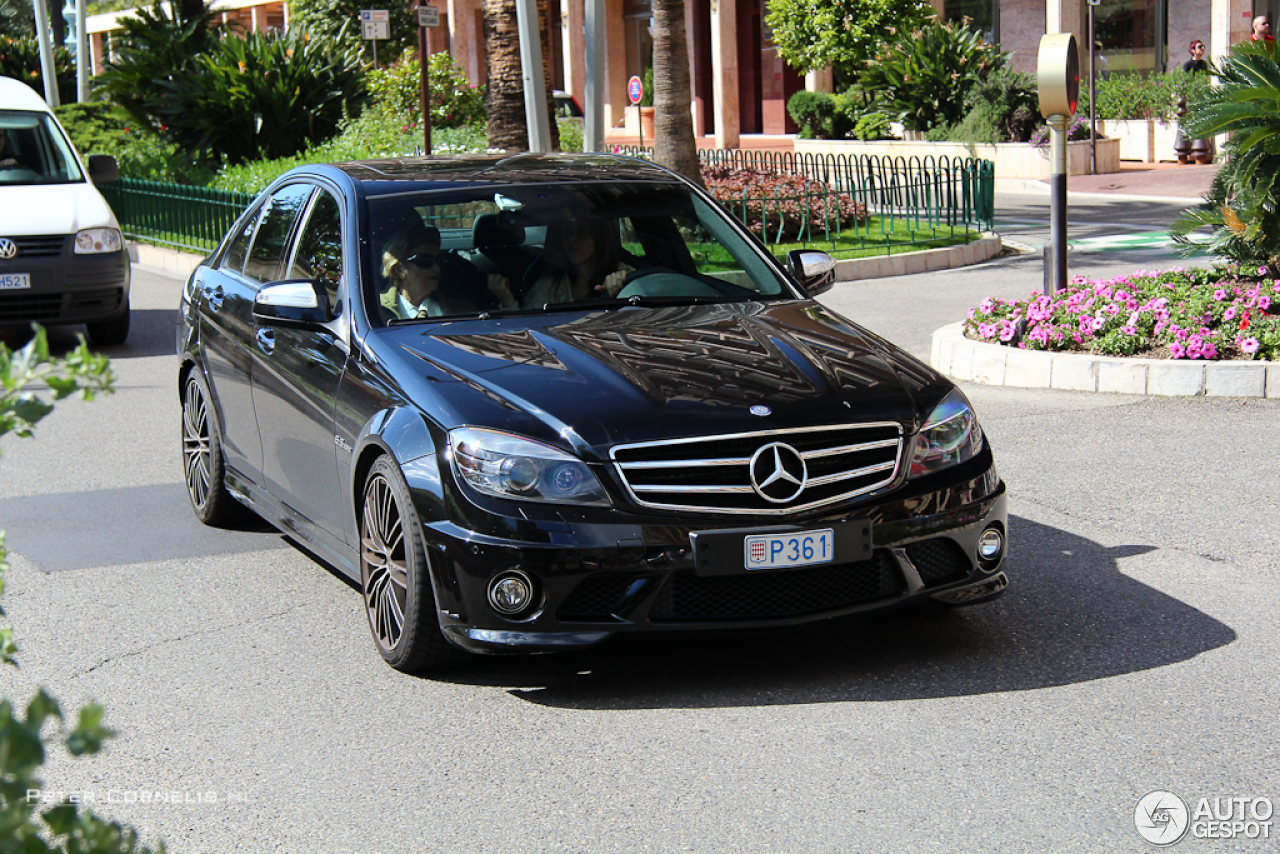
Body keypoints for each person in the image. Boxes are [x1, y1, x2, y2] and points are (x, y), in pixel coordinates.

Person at [487, 213, 631, 309]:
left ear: (599, 238)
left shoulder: (624, 276)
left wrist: (623, 291)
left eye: (582, 232)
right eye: (567, 232)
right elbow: (524, 331)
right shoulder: (547, 287)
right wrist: (507, 300)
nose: (572, 239)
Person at [378, 224, 475, 320]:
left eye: (438, 260)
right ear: (399, 269)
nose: (436, 268)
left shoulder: (464, 311)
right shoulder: (375, 312)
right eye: (425, 260)